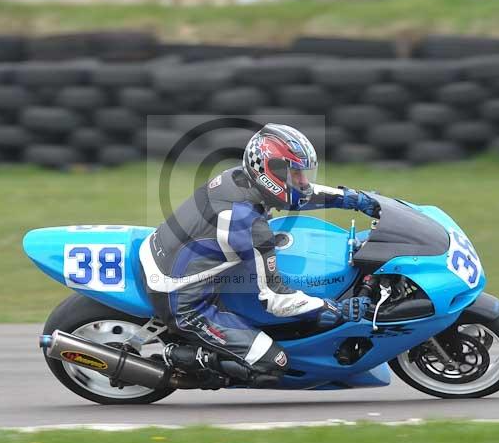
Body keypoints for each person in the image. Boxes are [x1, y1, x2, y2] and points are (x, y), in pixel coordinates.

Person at [139, 123, 381, 386]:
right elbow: (275, 298)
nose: (303, 182)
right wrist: (334, 307)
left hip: (170, 256)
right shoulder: (249, 225)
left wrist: (354, 199)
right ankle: (179, 358)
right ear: (270, 173)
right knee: (272, 364)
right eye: (296, 175)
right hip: (184, 301)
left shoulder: (239, 178)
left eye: (303, 174)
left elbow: (301, 195)